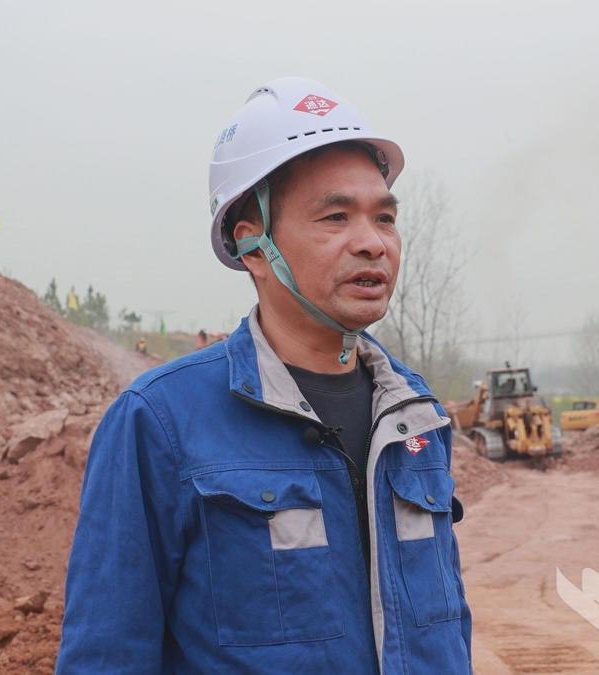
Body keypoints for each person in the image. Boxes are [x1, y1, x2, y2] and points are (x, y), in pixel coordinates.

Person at [56, 77, 472, 674]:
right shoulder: (161, 422)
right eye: (336, 216)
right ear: (253, 247)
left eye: (384, 218)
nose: (373, 243)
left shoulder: (416, 415)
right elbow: (106, 655)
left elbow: (447, 635)